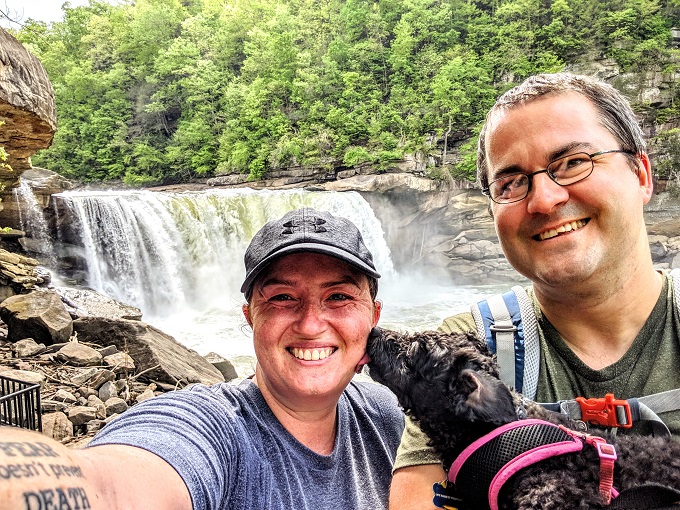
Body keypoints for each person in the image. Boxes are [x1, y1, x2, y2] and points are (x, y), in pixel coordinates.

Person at [389, 72, 680, 509]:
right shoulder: (468, 348)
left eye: (572, 162)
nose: (543, 200)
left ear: (640, 174)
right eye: (511, 182)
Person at [0, 207, 405, 510]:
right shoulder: (211, 428)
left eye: (339, 296)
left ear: (374, 315)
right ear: (250, 318)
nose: (311, 324)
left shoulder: (387, 415)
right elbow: (109, 485)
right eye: (282, 297)